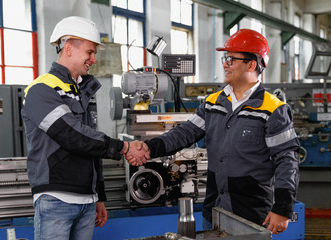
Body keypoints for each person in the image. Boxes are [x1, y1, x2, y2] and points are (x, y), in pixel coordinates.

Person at [128, 29, 300, 235]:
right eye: (224, 58)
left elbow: (287, 159)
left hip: (252, 213)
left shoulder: (272, 109)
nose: (225, 63)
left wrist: (282, 208)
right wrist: (148, 147)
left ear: (252, 64)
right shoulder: (212, 103)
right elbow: (185, 133)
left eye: (231, 59)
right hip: (215, 209)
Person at [21, 16, 147, 240]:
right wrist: (124, 147)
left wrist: (98, 196)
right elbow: (71, 135)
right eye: (90, 52)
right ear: (68, 48)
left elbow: (92, 145)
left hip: (86, 202)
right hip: (56, 199)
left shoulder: (83, 93)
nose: (94, 60)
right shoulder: (41, 90)